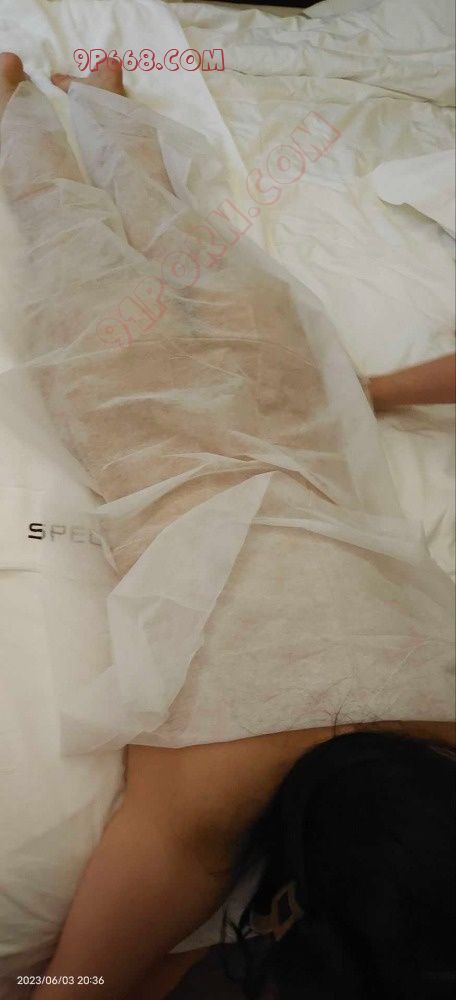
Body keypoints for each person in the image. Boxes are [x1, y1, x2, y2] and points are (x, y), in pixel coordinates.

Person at [0, 52, 454, 999]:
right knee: (59, 218)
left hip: (287, 399)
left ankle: (96, 100)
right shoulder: (210, 793)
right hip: (143, 409)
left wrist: (366, 392)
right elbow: (76, 988)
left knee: (171, 218)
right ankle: (33, 98)